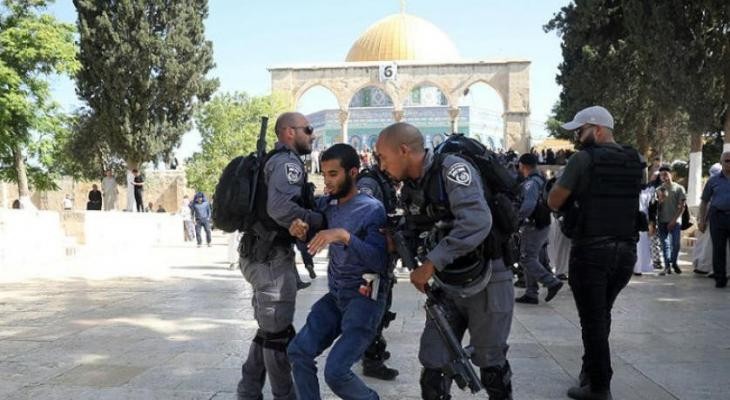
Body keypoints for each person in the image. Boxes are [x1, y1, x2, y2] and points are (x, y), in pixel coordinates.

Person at [375, 122, 514, 400]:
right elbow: (418, 227)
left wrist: (430, 264)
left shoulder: (452, 170)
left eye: (383, 157)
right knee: (434, 368)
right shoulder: (412, 187)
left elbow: (476, 222)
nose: (381, 165)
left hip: (487, 279)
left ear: (403, 150)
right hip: (447, 284)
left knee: (491, 366)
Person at [548, 105, 644, 400]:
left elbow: (554, 201)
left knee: (592, 320)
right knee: (601, 314)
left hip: (591, 251)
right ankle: (590, 372)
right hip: (625, 250)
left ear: (598, 129)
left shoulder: (583, 159)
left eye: (581, 130)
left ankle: (599, 386)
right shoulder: (634, 159)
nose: (577, 137)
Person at [287, 143, 388, 400]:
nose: (327, 181)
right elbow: (310, 248)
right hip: (336, 296)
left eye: (333, 174)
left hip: (364, 299)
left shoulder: (372, 209)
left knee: (336, 372)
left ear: (353, 173)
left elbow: (380, 261)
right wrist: (301, 234)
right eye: (324, 174)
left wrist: (345, 237)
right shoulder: (326, 205)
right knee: (298, 352)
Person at [236, 112, 323, 400]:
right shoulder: (287, 163)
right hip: (270, 259)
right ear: (289, 132)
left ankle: (248, 392)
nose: (312, 135)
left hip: (258, 254)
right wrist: (319, 219)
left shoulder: (271, 160)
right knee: (278, 336)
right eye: (308, 129)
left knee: (269, 330)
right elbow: (281, 209)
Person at [357, 162, 400, 380]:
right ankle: (371, 359)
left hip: (381, 258)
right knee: (372, 309)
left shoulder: (384, 181)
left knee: (381, 307)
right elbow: (360, 214)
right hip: (370, 260)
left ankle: (374, 347)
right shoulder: (369, 182)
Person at [515, 153, 563, 304]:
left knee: (527, 258)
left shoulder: (530, 183)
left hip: (533, 225)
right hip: (542, 223)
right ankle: (531, 293)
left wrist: (517, 218)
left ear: (523, 165)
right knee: (532, 258)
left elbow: (528, 205)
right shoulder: (541, 178)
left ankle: (551, 282)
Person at [698, 152, 730, 288]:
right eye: (727, 161)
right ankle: (720, 278)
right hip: (717, 217)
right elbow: (704, 201)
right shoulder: (713, 181)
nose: (729, 163)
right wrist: (702, 221)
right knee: (718, 249)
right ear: (721, 162)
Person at [657, 165, 686, 275]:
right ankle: (667, 266)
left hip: (675, 221)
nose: (664, 177)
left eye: (665, 174)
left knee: (676, 244)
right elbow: (655, 208)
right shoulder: (659, 189)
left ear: (671, 174)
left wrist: (673, 221)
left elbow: (682, 207)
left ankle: (674, 262)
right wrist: (660, 200)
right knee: (665, 245)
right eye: (661, 175)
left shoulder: (679, 188)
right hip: (662, 221)